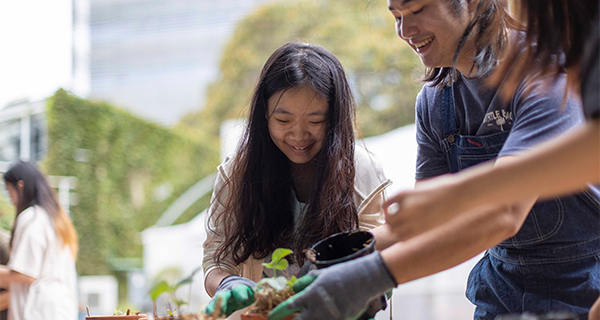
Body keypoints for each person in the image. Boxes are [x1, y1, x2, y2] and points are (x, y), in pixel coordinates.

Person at [269, 1, 600, 319]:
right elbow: (424, 223)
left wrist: (371, 276)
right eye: (397, 15)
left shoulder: (545, 70)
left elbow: (503, 213)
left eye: (417, 10)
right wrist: (328, 264)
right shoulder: (435, 100)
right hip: (503, 295)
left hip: (584, 288)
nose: (405, 29)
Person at [201, 42, 395, 318]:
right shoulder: (237, 175)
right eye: (283, 120)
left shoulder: (363, 173)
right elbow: (215, 259)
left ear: (335, 118)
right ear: (264, 115)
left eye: (315, 121)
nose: (299, 135)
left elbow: (382, 260)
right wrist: (226, 282)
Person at [0, 161, 78, 320]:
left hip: (39, 311)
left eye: (9, 192)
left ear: (20, 186)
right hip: (58, 310)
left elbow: (25, 274)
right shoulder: (52, 218)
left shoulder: (32, 219)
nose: (11, 200)